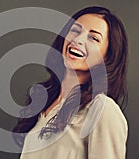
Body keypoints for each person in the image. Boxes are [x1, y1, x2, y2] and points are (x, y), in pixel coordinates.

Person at [13, 6, 128, 159]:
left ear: (107, 57)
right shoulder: (47, 104)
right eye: (75, 30)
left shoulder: (102, 109)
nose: (78, 40)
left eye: (93, 38)